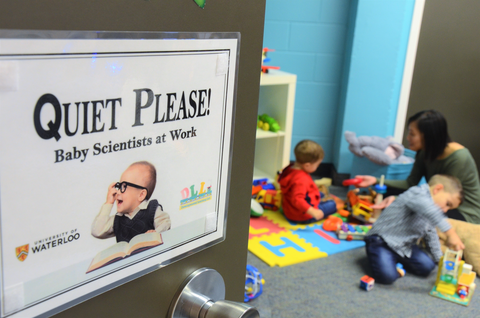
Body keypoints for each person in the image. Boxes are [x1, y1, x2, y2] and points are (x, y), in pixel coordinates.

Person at [356, 109, 480, 224]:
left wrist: (398, 199)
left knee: (416, 213)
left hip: (460, 211)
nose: (408, 138)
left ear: (428, 135)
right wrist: (376, 180)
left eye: (412, 134)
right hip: (435, 200)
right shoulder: (424, 152)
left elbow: (439, 199)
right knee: (385, 193)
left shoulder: (458, 158)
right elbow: (411, 183)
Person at [364, 174, 465, 284]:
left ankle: (394, 259)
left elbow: (431, 235)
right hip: (382, 241)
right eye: (447, 204)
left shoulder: (432, 212)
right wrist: (451, 234)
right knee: (388, 277)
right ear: (437, 189)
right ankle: (385, 259)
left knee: (428, 267)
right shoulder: (417, 194)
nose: (445, 210)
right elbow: (433, 213)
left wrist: (440, 260)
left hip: (405, 246)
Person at [91, 161, 171, 243]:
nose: (118, 192)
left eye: (124, 186)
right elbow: (97, 231)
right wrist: (108, 203)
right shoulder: (118, 219)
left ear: (141, 195)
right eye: (119, 186)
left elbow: (165, 223)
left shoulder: (152, 210)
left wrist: (155, 233)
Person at [278, 140, 335, 223]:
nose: (318, 167)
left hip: (289, 210)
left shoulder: (289, 168)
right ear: (307, 165)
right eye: (317, 165)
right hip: (302, 216)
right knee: (332, 204)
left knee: (320, 194)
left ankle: (320, 195)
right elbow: (297, 199)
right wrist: (313, 211)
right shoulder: (301, 179)